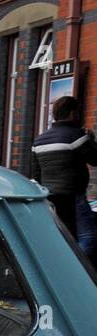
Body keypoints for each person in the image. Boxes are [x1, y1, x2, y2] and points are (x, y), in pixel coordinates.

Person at [31, 95, 97, 260]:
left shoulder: (39, 141)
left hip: (50, 198)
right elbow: (95, 159)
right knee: (88, 237)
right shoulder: (76, 135)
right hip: (73, 196)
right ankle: (74, 269)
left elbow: (36, 173)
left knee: (62, 237)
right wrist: (91, 140)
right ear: (72, 113)